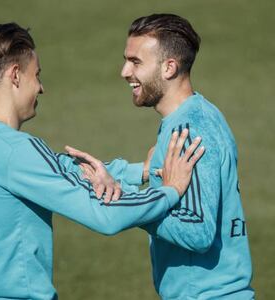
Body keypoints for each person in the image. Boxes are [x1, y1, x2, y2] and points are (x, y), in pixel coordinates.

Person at [0, 23, 204, 300]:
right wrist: (169, 190)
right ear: (15, 75)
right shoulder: (16, 151)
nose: (40, 88)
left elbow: (61, 169)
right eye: (37, 75)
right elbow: (104, 215)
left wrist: (141, 171)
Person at [69, 13, 254, 300]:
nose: (124, 72)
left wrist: (126, 198)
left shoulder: (188, 131)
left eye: (136, 62)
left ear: (169, 67)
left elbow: (197, 232)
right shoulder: (199, 114)